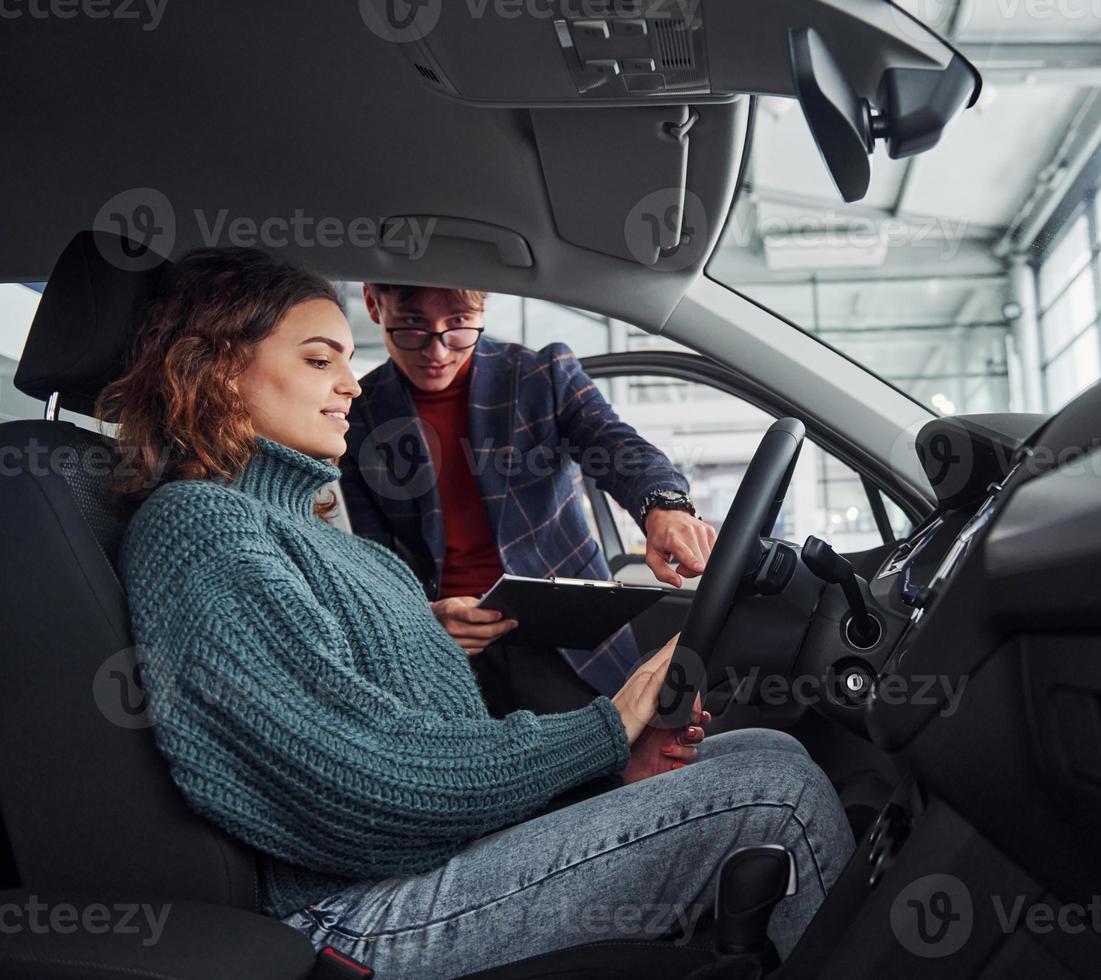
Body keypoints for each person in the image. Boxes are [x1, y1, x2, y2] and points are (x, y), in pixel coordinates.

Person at [99, 247, 853, 979]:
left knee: (770, 752)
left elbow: (616, 448)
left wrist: (608, 768)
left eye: (458, 323)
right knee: (774, 799)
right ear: (222, 369)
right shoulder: (202, 528)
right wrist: (606, 726)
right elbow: (365, 777)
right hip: (357, 913)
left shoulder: (319, 532)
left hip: (438, 836)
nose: (352, 387)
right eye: (320, 360)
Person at [337, 282, 718, 715]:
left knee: (616, 770)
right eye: (412, 327)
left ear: (483, 308)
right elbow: (372, 558)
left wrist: (663, 505)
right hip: (448, 647)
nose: (438, 351)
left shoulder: (541, 375)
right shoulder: (357, 413)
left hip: (566, 632)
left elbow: (616, 446)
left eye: (458, 325)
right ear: (373, 304)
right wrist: (424, 617)